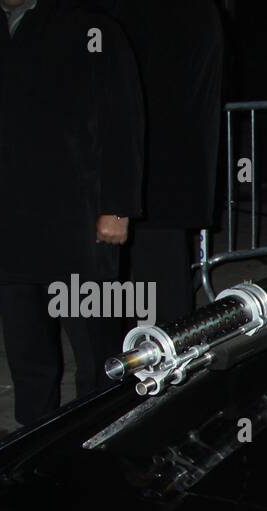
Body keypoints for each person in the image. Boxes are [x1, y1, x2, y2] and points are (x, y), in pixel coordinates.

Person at [0, 0, 144, 428]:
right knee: (27, 355)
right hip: (6, 225)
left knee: (98, 352)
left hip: (77, 225)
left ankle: (104, 435)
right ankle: (34, 444)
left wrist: (117, 206)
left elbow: (123, 119)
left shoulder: (91, 29)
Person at [92, 0, 223, 326]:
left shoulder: (144, 15)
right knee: (160, 286)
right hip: (170, 173)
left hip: (144, 173)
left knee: (144, 291)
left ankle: (149, 362)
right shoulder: (197, 12)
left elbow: (121, 94)